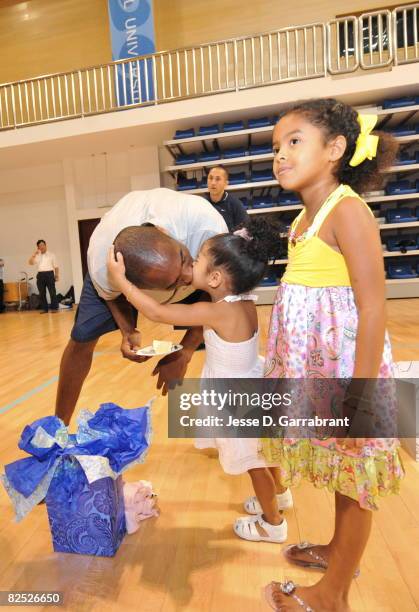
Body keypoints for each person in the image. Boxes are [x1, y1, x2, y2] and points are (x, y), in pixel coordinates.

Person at [262, 99, 404, 611]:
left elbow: (371, 306)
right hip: (319, 372)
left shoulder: (347, 209)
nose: (280, 154)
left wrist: (361, 397)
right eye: (276, 146)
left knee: (357, 476)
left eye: (294, 141)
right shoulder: (305, 217)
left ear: (336, 149)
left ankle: (333, 595)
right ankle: (337, 551)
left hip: (349, 377)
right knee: (341, 469)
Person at [107, 217, 293, 542]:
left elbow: (159, 313)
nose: (191, 264)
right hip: (252, 386)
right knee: (263, 452)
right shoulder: (243, 304)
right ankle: (280, 496)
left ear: (216, 277)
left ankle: (273, 523)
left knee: (253, 463)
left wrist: (122, 282)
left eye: (198, 261)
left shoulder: (216, 310)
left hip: (238, 400)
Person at [55, 188, 227, 426]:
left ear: (164, 232)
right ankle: (58, 427)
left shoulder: (207, 228)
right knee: (81, 339)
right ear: (133, 287)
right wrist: (128, 330)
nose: (188, 277)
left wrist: (186, 351)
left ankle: (229, 426)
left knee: (226, 329)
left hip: (197, 246)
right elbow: (112, 294)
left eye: (185, 260)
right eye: (174, 282)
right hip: (118, 273)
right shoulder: (102, 267)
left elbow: (221, 299)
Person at [205, 165, 249, 231]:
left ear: (226, 184)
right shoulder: (203, 204)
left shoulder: (235, 204)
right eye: (210, 178)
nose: (213, 183)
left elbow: (246, 230)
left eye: (218, 179)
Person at [28, 240, 59, 313]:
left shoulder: (51, 255)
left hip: (50, 274)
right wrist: (34, 255)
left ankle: (54, 308)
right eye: (40, 245)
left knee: (52, 292)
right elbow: (30, 263)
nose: (42, 246)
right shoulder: (37, 256)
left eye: (43, 245)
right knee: (42, 293)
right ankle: (45, 309)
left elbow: (56, 266)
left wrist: (56, 275)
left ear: (45, 245)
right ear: (38, 247)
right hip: (40, 275)